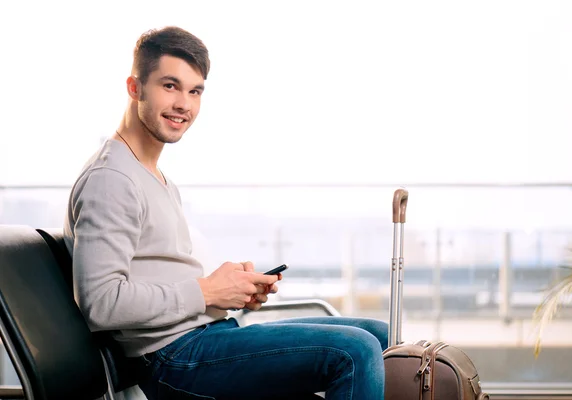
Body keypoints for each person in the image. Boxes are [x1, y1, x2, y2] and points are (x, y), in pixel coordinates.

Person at [63, 26, 388, 400]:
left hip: (208, 335)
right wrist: (207, 291)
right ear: (135, 88)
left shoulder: (152, 175)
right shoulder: (112, 179)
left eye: (194, 90)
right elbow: (103, 304)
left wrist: (227, 292)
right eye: (170, 86)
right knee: (355, 351)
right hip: (173, 358)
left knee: (378, 334)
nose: (184, 103)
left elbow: (161, 276)